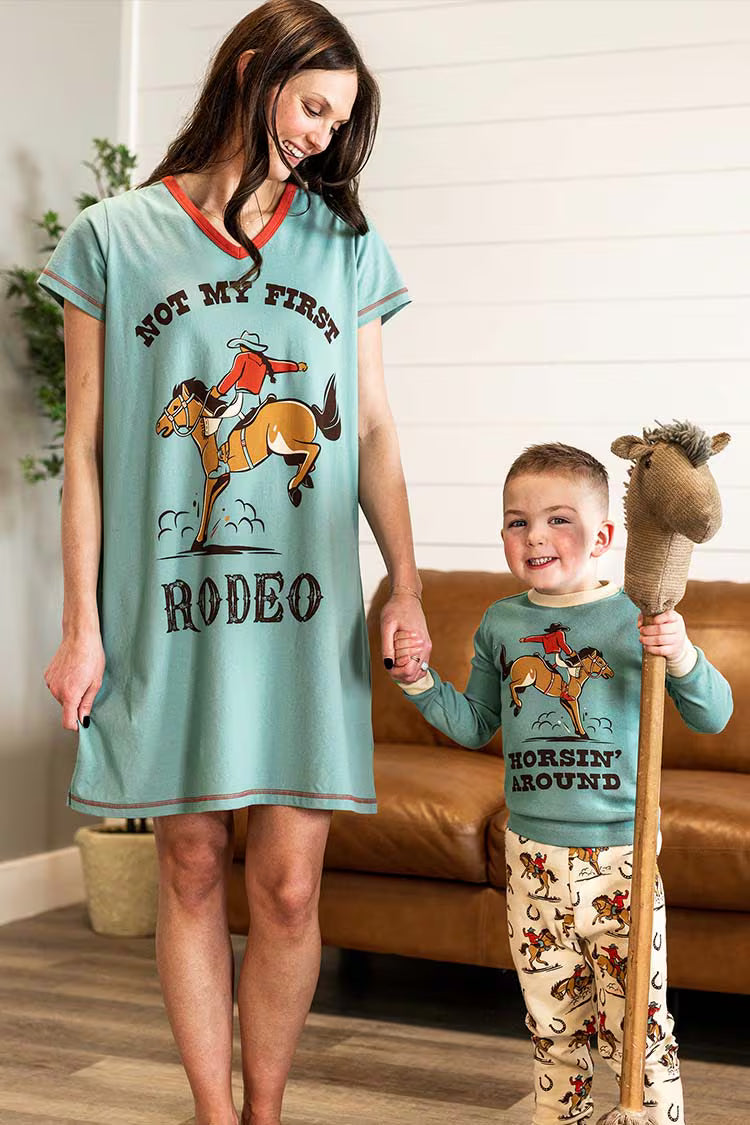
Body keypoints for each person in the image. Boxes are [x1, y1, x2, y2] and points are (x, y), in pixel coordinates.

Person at [39, 2, 430, 1123]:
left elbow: (375, 428)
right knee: (191, 865)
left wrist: (404, 585)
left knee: (291, 887)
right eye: (312, 107)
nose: (322, 134)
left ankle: (268, 1110)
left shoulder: (345, 245)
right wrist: (80, 628)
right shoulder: (112, 239)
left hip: (305, 616)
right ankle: (219, 1116)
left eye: (338, 121)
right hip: (162, 612)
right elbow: (85, 451)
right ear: (255, 74)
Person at [389, 442, 733, 1125]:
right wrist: (421, 683)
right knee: (554, 1027)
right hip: (532, 860)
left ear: (603, 537)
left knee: (638, 1029)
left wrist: (682, 654)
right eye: (517, 521)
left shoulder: (639, 618)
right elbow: (477, 723)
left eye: (558, 520)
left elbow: (714, 715)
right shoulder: (502, 623)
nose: (535, 535)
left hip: (621, 859)